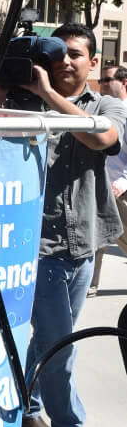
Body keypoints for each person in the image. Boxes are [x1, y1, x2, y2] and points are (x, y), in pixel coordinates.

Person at [10, 25, 126, 427]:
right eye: (57, 53)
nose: (66, 61)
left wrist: (48, 97)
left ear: (93, 62)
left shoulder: (107, 105)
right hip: (37, 247)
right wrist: (12, 83)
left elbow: (101, 139)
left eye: (76, 54)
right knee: (61, 346)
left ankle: (27, 405)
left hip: (86, 241)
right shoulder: (20, 102)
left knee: (51, 339)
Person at [87, 64, 127, 296]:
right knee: (96, 236)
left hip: (119, 188)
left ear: (123, 83)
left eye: (106, 80)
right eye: (100, 80)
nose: (101, 83)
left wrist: (121, 184)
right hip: (100, 183)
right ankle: (90, 285)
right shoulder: (101, 110)